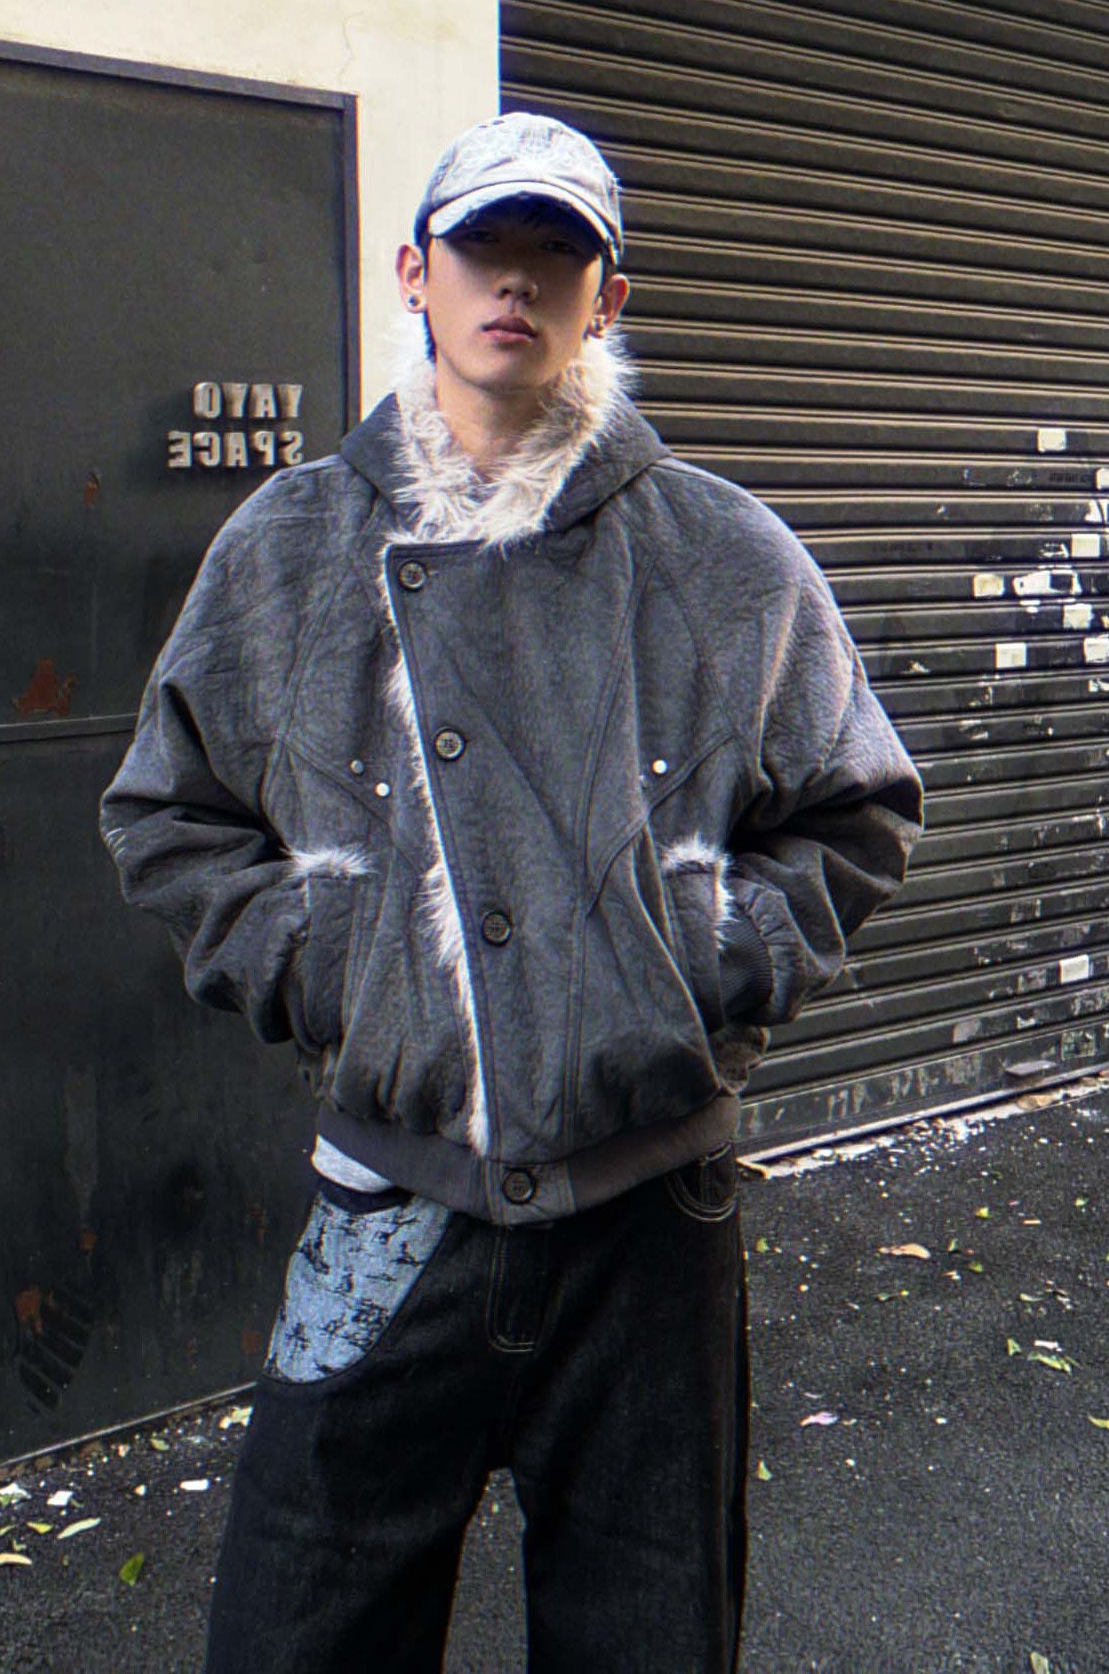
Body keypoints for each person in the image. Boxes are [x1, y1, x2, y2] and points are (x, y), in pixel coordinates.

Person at [100, 111, 923, 1673]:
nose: (519, 282)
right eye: (486, 246)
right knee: (295, 1635)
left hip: (652, 1220)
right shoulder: (293, 544)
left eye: (560, 252)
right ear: (416, 273)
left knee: (649, 1639)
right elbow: (170, 814)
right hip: (388, 1206)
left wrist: (697, 960)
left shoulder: (723, 552)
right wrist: (337, 965)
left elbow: (856, 808)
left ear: (608, 297)